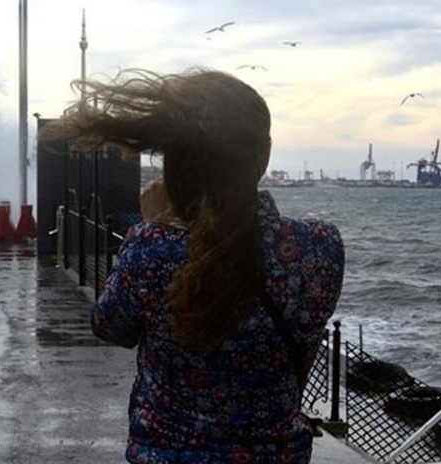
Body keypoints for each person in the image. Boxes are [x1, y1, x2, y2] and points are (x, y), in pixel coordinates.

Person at [46, 68, 345, 463]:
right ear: (264, 156)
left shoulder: (151, 248)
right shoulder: (320, 248)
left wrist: (150, 227)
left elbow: (110, 326)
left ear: (176, 162)